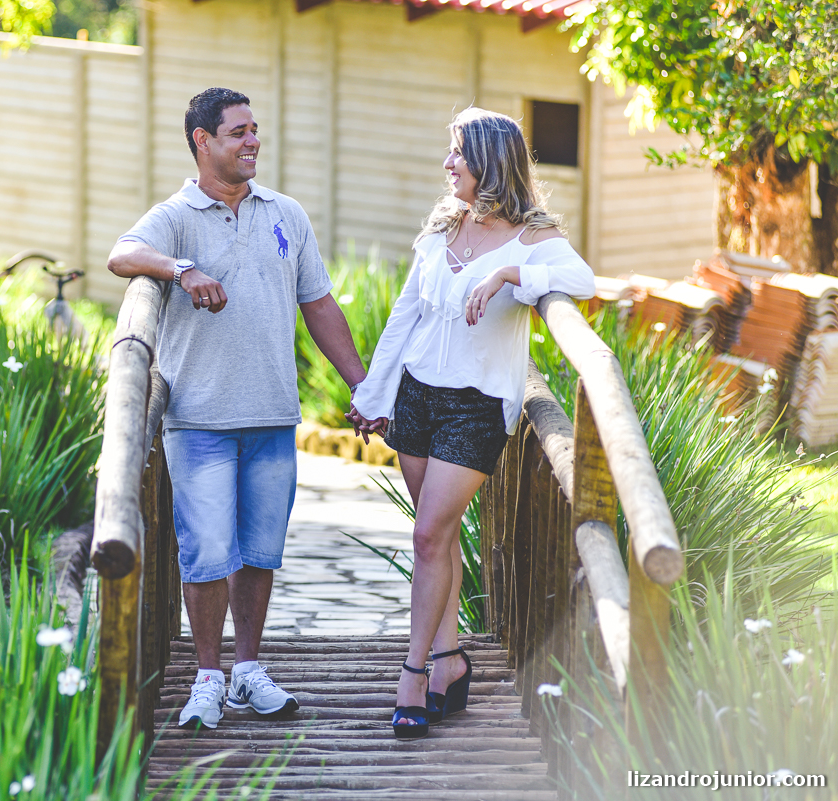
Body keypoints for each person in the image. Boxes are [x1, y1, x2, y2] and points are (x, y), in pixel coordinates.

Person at [106, 87, 368, 730]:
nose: (253, 141)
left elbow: (320, 305)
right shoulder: (176, 215)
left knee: (259, 554)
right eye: (238, 132)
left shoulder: (286, 213)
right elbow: (121, 255)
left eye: (255, 130)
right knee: (206, 553)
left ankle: (247, 671)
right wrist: (180, 270)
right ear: (203, 141)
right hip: (198, 420)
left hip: (273, 414)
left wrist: (361, 385)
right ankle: (206, 677)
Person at [348, 107, 595, 740]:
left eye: (457, 152)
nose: (447, 163)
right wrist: (375, 393)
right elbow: (406, 316)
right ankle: (451, 659)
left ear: (489, 160)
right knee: (442, 536)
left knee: (429, 535)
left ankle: (413, 673)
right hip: (416, 397)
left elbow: (583, 282)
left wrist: (511, 272)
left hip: (477, 406)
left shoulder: (533, 238)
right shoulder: (443, 226)